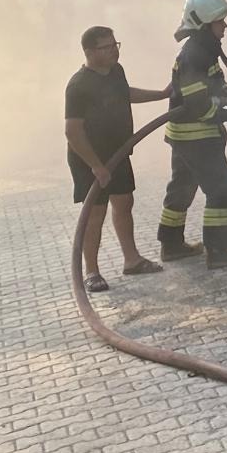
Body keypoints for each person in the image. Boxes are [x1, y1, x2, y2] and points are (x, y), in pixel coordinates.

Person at [65, 27, 170, 294]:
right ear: (89, 52)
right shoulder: (78, 86)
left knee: (124, 202)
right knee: (95, 212)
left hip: (118, 151)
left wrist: (162, 94)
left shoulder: (116, 71)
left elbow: (125, 93)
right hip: (89, 157)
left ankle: (132, 260)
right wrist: (96, 166)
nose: (114, 50)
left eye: (115, 45)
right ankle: (92, 271)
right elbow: (73, 131)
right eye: (106, 47)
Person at [157, 0, 227, 269]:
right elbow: (199, 106)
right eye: (220, 22)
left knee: (182, 187)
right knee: (223, 188)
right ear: (204, 24)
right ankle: (219, 250)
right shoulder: (195, 55)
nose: (225, 27)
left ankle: (172, 245)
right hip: (197, 136)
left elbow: (211, 85)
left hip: (185, 135)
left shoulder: (202, 49)